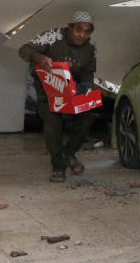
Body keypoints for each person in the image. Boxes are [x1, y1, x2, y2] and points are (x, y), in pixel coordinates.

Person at [19, 10, 98, 182]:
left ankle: (69, 152)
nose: (82, 35)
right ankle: (58, 165)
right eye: (78, 29)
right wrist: (40, 58)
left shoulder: (90, 47)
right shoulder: (53, 36)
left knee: (86, 119)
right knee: (52, 124)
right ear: (69, 28)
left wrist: (86, 91)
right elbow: (24, 50)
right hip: (47, 89)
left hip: (73, 89)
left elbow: (88, 73)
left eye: (87, 31)